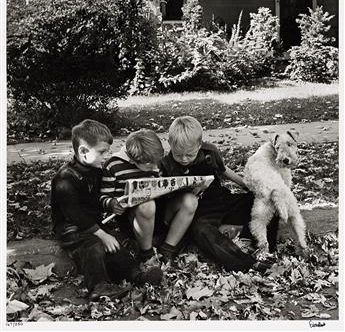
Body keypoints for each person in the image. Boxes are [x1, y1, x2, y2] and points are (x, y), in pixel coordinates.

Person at [51, 119, 162, 302]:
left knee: (116, 244)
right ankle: (98, 286)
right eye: (102, 152)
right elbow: (74, 214)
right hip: (70, 228)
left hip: (93, 224)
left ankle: (136, 275)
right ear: (84, 152)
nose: (107, 156)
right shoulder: (65, 179)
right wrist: (102, 234)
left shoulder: (95, 170)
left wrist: (111, 204)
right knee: (94, 245)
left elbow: (99, 200)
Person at [159, 116, 279, 273]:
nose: (184, 159)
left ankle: (265, 247)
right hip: (200, 212)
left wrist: (248, 186)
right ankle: (248, 264)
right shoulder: (165, 165)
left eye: (189, 155)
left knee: (269, 200)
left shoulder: (209, 153)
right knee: (202, 232)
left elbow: (224, 171)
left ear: (199, 145)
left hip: (222, 200)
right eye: (178, 154)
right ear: (170, 144)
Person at [101, 129, 198, 264]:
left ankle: (168, 249)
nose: (155, 167)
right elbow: (103, 196)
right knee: (147, 204)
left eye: (156, 162)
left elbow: (162, 186)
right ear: (133, 159)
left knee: (190, 200)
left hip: (159, 213)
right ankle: (147, 254)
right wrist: (112, 203)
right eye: (149, 164)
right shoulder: (113, 165)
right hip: (135, 219)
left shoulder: (153, 161)